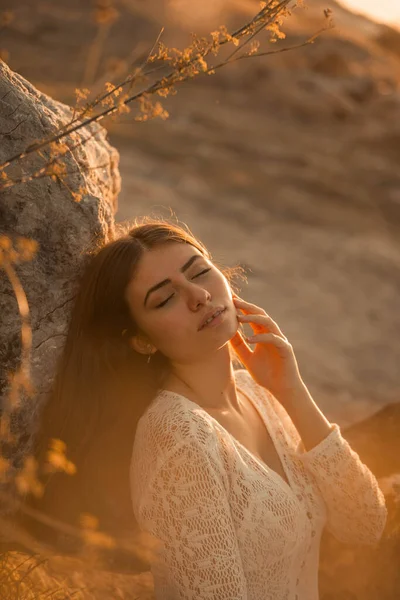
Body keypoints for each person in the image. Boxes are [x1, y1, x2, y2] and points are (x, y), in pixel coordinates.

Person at [31, 217, 387, 598]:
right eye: (165, 298)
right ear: (141, 340)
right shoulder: (179, 438)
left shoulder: (261, 393)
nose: (197, 296)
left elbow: (365, 524)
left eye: (199, 272)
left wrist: (291, 391)